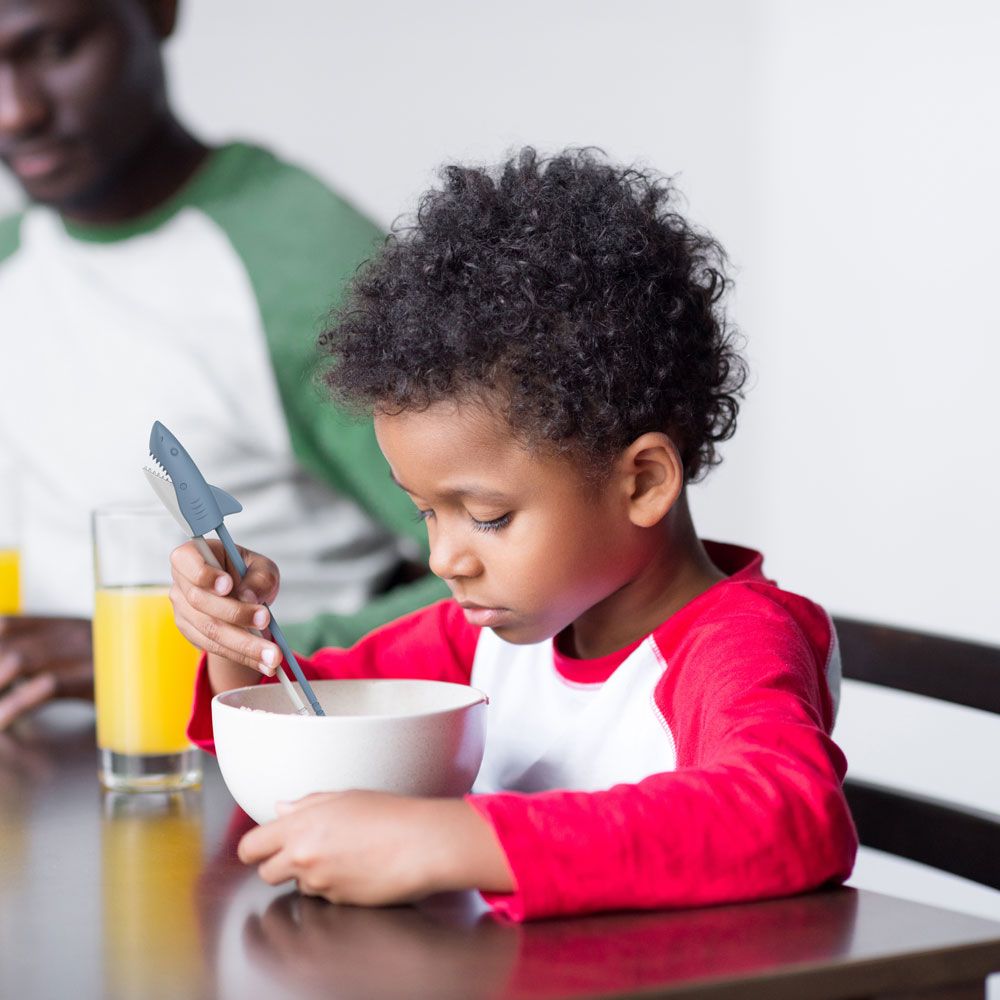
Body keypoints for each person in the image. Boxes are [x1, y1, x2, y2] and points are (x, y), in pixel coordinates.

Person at [171, 148, 858, 921]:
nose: (444, 558)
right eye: (427, 512)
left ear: (641, 483)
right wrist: (234, 643)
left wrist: (449, 840)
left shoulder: (734, 643)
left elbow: (787, 815)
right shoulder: (486, 636)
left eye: (488, 517)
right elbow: (310, 722)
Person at [0, 0, 446, 728]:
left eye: (53, 48)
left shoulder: (303, 266)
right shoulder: (13, 256)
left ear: (157, 12)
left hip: (249, 776)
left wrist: (166, 660)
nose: (15, 113)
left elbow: (517, 572)